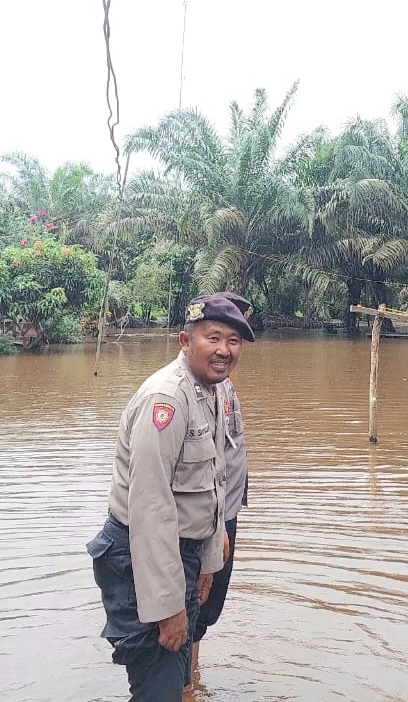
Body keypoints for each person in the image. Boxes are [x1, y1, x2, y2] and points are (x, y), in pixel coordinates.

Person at [88, 292, 255, 701]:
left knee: (178, 687)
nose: (224, 350)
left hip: (183, 555)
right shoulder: (166, 399)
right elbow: (150, 510)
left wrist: (208, 563)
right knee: (158, 688)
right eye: (213, 338)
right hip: (140, 559)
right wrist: (168, 609)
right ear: (185, 340)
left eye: (233, 341)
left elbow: (214, 486)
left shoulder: (212, 392)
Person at [190, 369, 247, 679]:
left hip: (225, 512)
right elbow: (204, 464)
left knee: (205, 607)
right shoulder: (195, 389)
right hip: (213, 519)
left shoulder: (221, 383)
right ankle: (183, 684)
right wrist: (218, 525)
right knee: (195, 600)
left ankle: (192, 678)